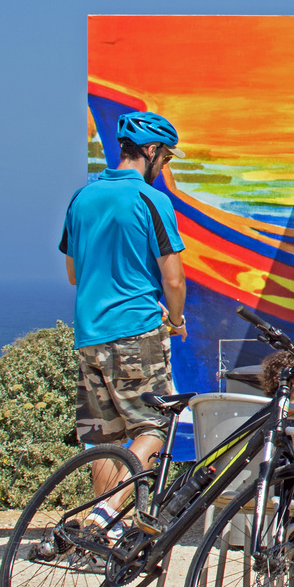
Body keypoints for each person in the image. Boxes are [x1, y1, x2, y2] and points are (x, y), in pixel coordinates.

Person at [60, 110, 187, 535]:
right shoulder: (151, 201)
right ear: (151, 152)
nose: (164, 167)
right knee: (157, 425)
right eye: (165, 158)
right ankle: (105, 515)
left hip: (88, 333)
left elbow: (73, 274)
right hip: (136, 331)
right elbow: (173, 278)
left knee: (104, 435)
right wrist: (176, 318)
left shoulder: (82, 198)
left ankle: (103, 530)